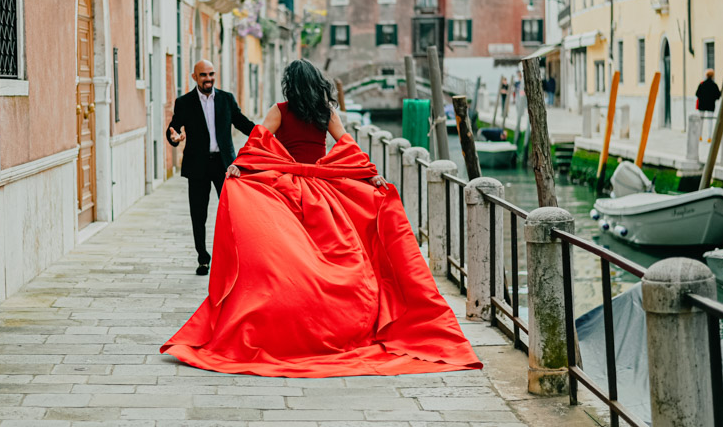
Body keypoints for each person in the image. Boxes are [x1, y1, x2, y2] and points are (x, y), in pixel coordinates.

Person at [160, 59, 482, 378]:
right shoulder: (325, 112)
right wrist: (369, 174)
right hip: (321, 192)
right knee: (337, 255)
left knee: (289, 261)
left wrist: (240, 166)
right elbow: (346, 143)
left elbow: (258, 140)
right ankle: (329, 321)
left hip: (284, 187)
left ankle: (293, 319)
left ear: (291, 84)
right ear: (316, 83)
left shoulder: (281, 110)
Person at [166, 59, 254, 276]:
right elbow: (174, 128)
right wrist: (175, 138)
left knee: (233, 214)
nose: (208, 79)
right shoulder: (184, 102)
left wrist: (266, 136)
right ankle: (203, 259)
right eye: (203, 75)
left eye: (211, 74)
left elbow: (243, 123)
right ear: (194, 77)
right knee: (199, 214)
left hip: (225, 165)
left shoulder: (226, 99)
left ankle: (235, 256)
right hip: (197, 165)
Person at [695, 69, 721, 140]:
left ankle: (700, 136)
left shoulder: (702, 84)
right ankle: (709, 137)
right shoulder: (714, 85)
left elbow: (697, 94)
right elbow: (718, 96)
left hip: (702, 105)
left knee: (701, 121)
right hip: (710, 105)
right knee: (710, 121)